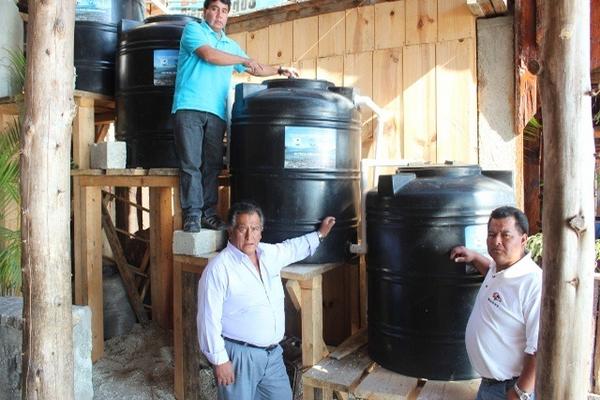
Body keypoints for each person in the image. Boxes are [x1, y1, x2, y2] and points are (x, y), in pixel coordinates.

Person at [172, 0, 298, 232]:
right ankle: (192, 214)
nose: (219, 15)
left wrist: (279, 69)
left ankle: (208, 214)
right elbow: (209, 55)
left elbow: (254, 67)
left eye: (224, 11)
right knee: (190, 163)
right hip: (189, 106)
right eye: (215, 9)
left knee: (211, 165)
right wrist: (242, 60)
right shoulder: (194, 30)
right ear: (205, 11)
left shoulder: (230, 44)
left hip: (217, 112)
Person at [197, 201, 336, 400]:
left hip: (272, 356)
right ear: (230, 230)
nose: (249, 235)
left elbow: (293, 248)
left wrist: (320, 234)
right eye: (242, 228)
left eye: (254, 228)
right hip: (240, 357)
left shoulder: (269, 254)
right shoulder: (219, 269)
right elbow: (207, 320)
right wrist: (219, 361)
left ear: (261, 231)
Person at [450, 206, 541, 400]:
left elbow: (538, 347)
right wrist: (474, 257)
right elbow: (492, 272)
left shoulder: (533, 283)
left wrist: (520, 392)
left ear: (523, 239)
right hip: (489, 385)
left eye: (506, 235)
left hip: (509, 388)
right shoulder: (500, 268)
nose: (497, 241)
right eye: (491, 234)